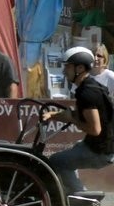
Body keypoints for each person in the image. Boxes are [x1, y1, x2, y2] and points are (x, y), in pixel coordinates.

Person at [42, 47, 114, 196]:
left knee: (57, 161)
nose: (64, 71)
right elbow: (78, 114)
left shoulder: (87, 93)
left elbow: (95, 129)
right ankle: (76, 197)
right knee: (68, 159)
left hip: (100, 151)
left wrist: (72, 119)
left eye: (67, 67)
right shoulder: (89, 86)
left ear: (79, 68)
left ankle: (82, 201)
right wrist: (53, 115)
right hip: (99, 145)